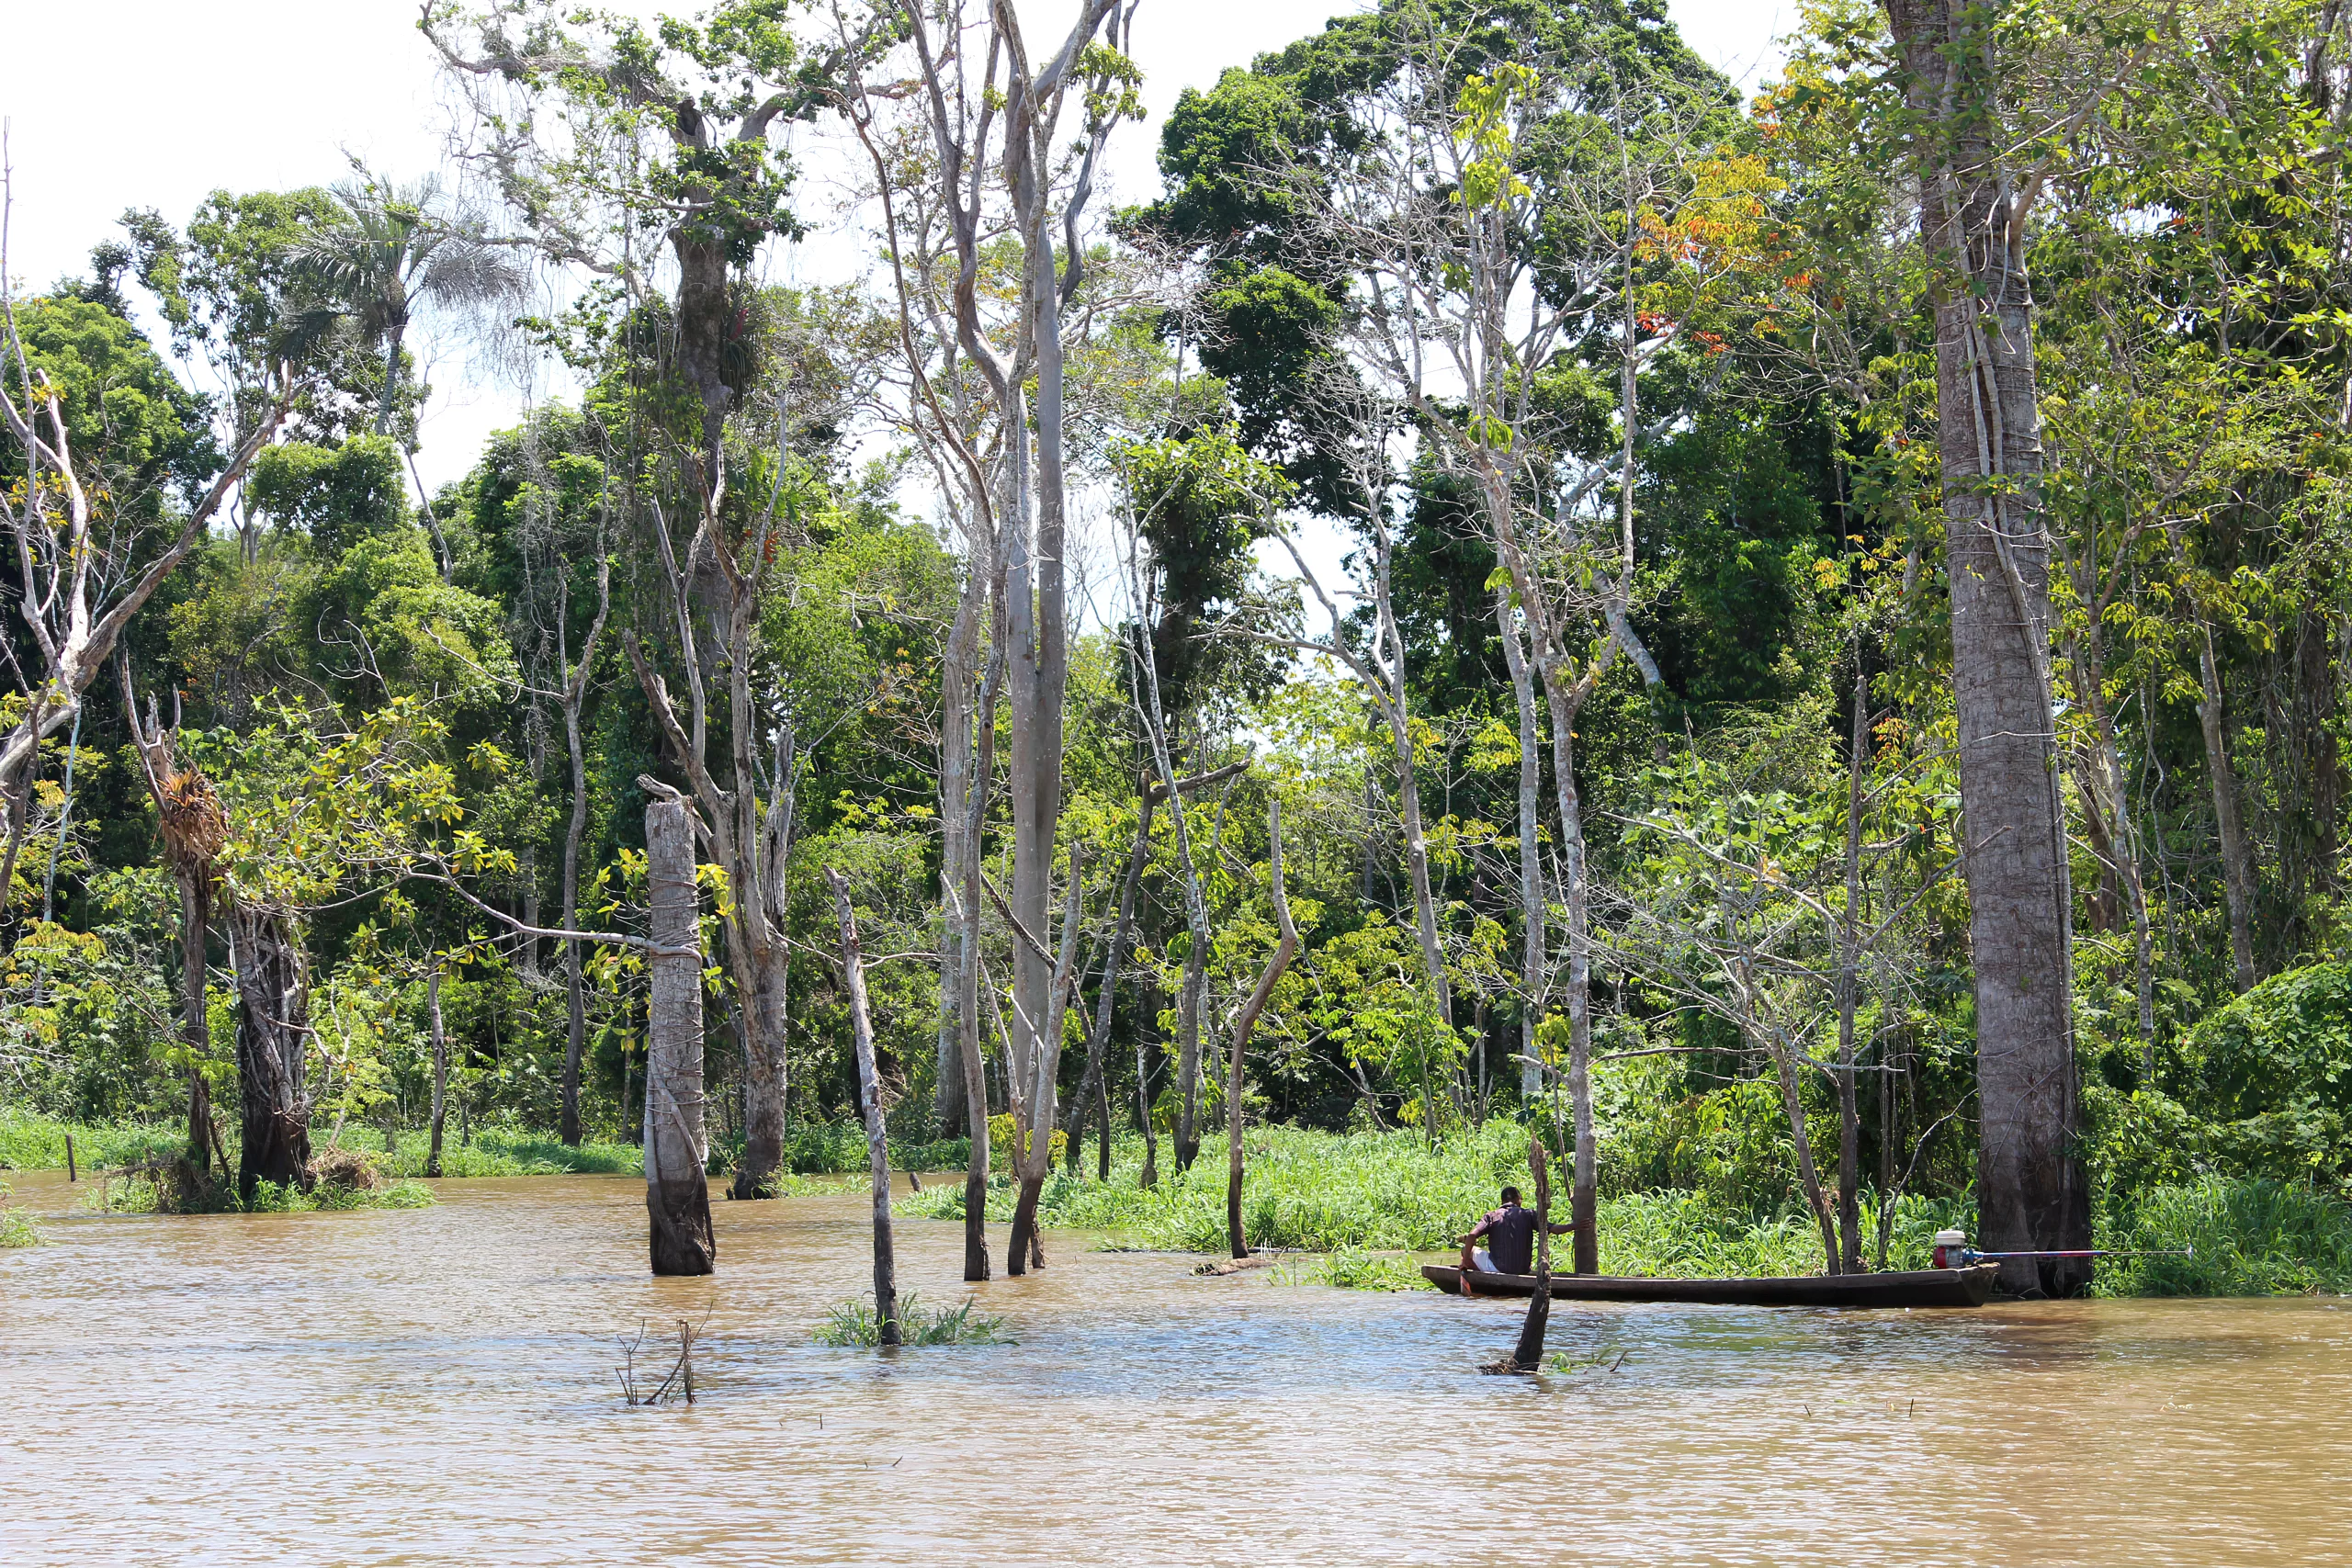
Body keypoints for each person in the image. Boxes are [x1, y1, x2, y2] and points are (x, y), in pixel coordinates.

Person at [1453, 1186, 1578, 1292]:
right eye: (1520, 1199)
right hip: (1522, 1269)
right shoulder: (1529, 1214)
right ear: (1517, 1199)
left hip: (1498, 1269)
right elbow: (1554, 1229)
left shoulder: (1492, 1216)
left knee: (1468, 1250)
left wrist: (1465, 1260)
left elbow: (1471, 1236)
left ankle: (1475, 1276)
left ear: (1503, 1201)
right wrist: (1576, 1225)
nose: (1521, 1202)